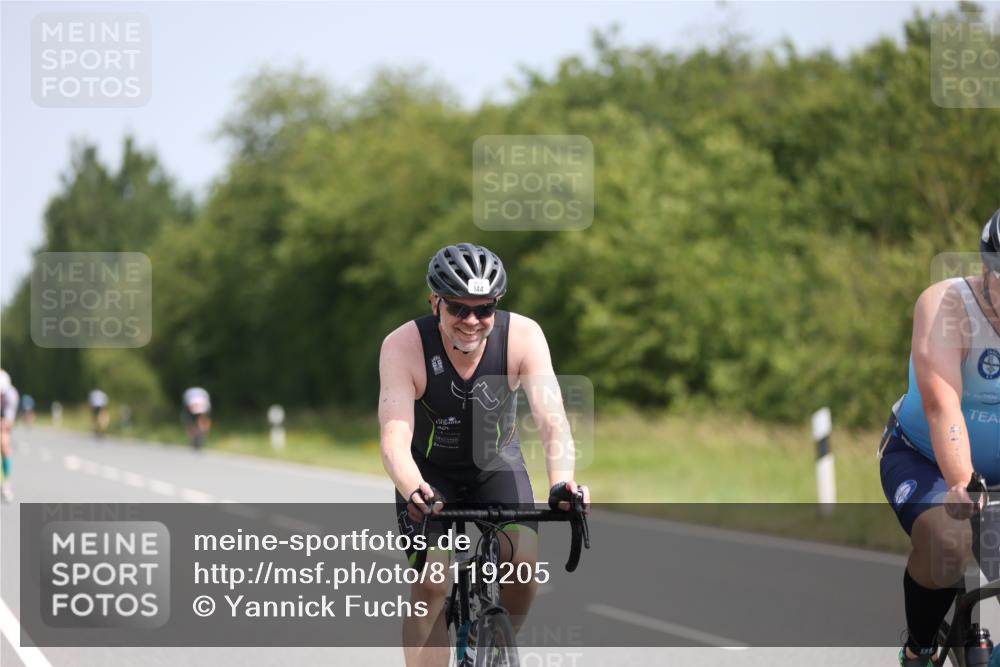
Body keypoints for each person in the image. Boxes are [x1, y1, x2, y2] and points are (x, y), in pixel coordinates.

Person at [379, 243, 590, 667]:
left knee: (524, 571)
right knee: (433, 585)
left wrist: (561, 482)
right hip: (427, 475)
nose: (472, 321)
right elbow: (394, 438)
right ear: (434, 302)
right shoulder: (404, 345)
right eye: (458, 308)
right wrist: (412, 488)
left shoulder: (523, 337)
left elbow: (552, 420)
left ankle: (491, 645)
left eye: (484, 309)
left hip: (497, 465)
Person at [880, 208, 1000, 666]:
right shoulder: (947, 306)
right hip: (927, 459)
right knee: (948, 542)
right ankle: (920, 649)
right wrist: (961, 481)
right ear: (989, 270)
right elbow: (942, 406)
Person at [0, 370, 17, 502]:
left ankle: (6, 482)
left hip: (3, 420)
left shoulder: (11, 396)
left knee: (4, 444)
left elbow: (7, 423)